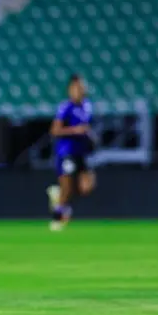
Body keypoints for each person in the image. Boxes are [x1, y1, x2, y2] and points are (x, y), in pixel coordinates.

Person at [47, 74, 96, 231]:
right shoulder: (65, 107)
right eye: (76, 88)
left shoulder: (87, 106)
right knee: (67, 186)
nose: (79, 91)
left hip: (81, 151)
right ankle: (56, 219)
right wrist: (75, 130)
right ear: (70, 90)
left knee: (87, 186)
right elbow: (55, 130)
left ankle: (59, 196)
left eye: (81, 88)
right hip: (66, 151)